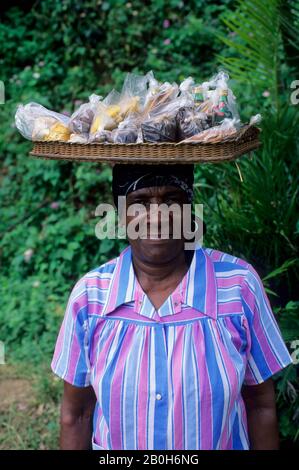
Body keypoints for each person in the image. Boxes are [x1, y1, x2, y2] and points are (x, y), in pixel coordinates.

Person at [51, 163, 293, 450]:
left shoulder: (238, 286)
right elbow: (76, 415)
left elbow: (260, 405)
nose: (158, 217)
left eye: (172, 200)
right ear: (120, 214)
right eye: (139, 202)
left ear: (190, 211)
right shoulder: (91, 297)